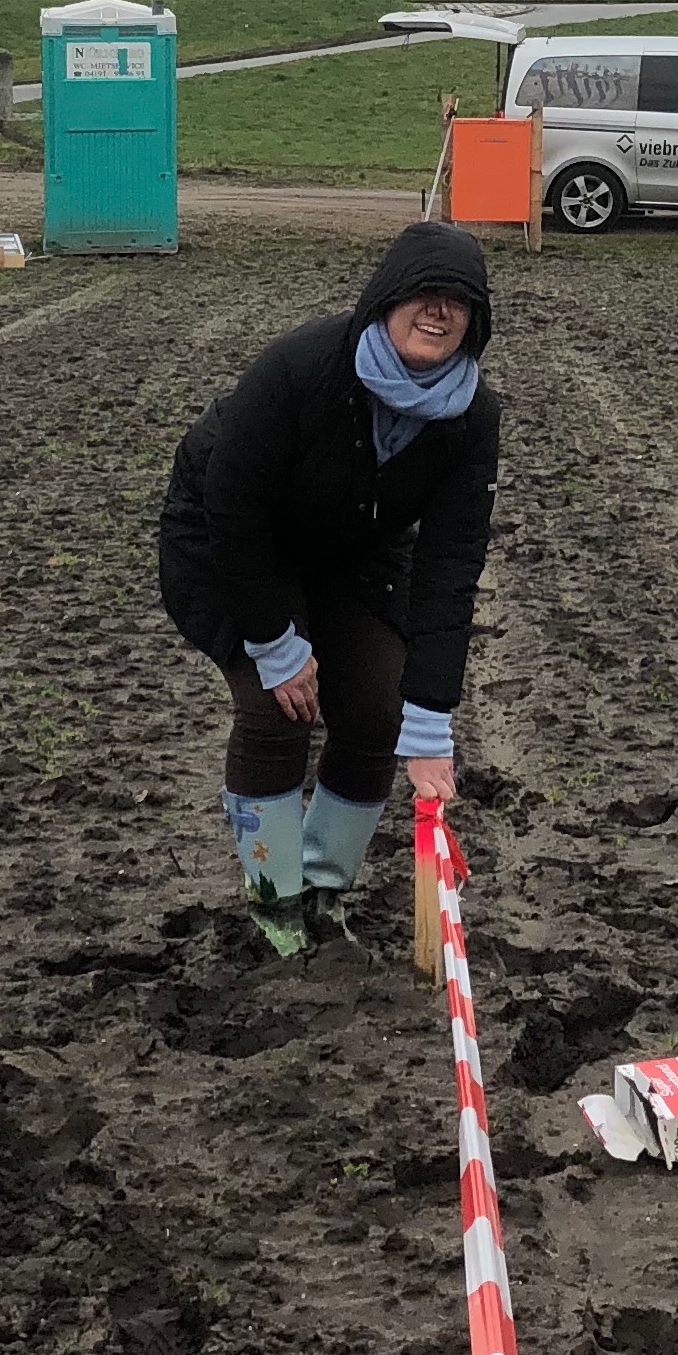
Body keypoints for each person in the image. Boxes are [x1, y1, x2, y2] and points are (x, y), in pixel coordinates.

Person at [157, 222, 502, 955]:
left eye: (458, 301)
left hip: (352, 552)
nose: (438, 311)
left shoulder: (472, 416)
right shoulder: (303, 366)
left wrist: (431, 721)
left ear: (476, 322)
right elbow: (233, 506)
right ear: (385, 298)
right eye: (422, 293)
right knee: (277, 706)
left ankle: (322, 889)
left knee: (380, 709)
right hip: (232, 539)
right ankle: (273, 901)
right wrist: (276, 643)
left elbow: (449, 566)